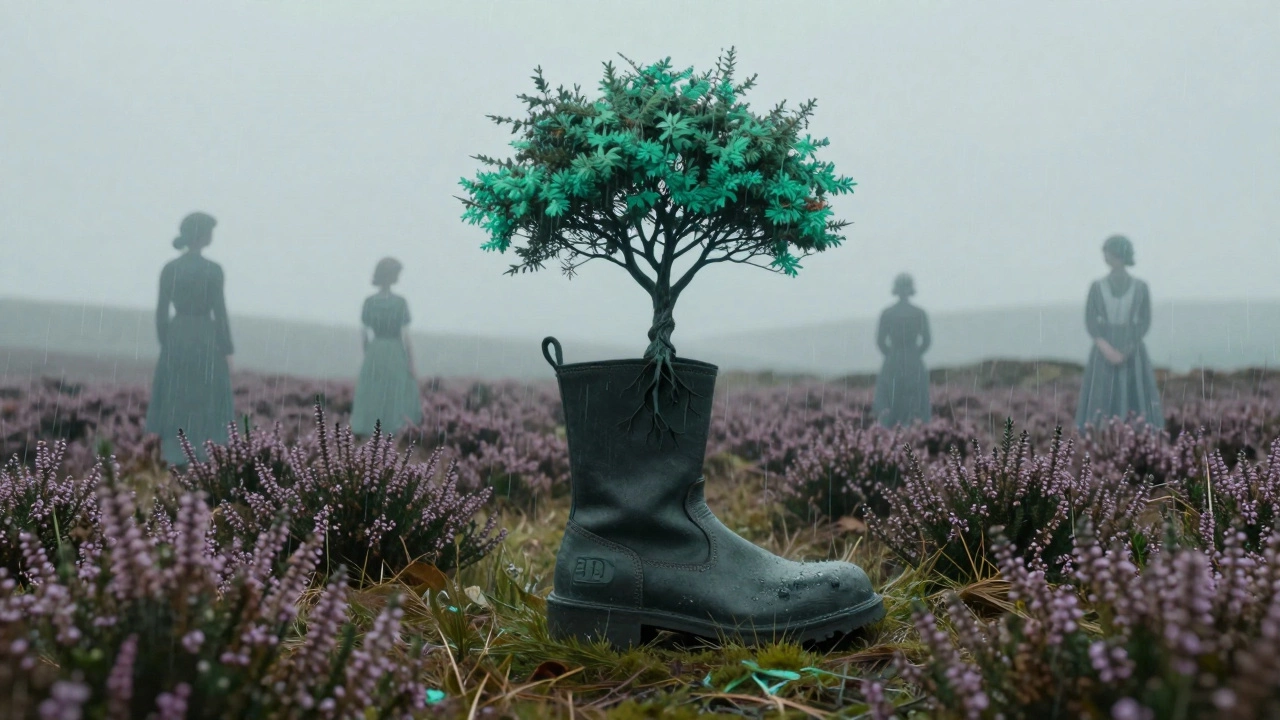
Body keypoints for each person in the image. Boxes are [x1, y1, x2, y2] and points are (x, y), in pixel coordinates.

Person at [146, 211, 235, 466]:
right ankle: (204, 455)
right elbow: (220, 312)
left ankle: (174, 456)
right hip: (206, 338)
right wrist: (227, 349)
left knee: (175, 398)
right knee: (206, 398)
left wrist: (168, 343)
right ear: (204, 235)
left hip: (178, 336)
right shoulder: (213, 270)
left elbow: (161, 314)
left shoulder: (170, 269)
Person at [1076, 234, 1164, 430]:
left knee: (1135, 397)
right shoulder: (1096, 287)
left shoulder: (1141, 287)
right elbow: (1091, 321)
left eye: (1108, 252)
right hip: (1103, 352)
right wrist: (1106, 348)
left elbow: (1144, 322)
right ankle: (1101, 439)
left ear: (1118, 255)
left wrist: (1125, 350)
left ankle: (1136, 438)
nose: (1106, 257)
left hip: (1133, 352)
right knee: (1101, 398)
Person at [350, 257, 423, 437]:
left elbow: (364, 334)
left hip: (376, 350)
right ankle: (394, 429)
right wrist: (411, 361)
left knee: (375, 390)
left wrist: (368, 353)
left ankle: (372, 430)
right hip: (394, 349)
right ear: (391, 276)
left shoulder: (370, 302)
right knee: (395, 390)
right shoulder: (400, 303)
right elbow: (406, 335)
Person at [873, 272, 932, 426]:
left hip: (893, 359)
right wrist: (913, 354)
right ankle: (915, 430)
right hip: (912, 359)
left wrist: (893, 355)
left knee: (892, 400)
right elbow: (927, 341)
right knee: (915, 400)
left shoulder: (887, 313)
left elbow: (880, 342)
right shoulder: (919, 313)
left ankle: (893, 432)